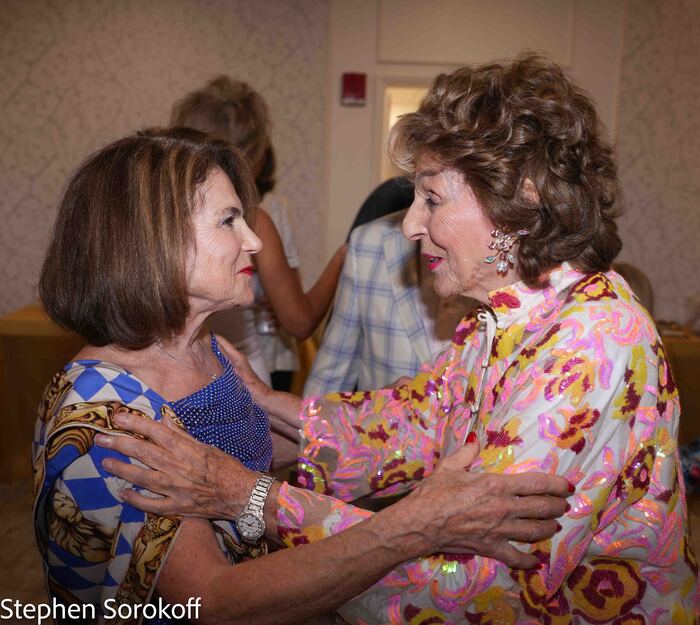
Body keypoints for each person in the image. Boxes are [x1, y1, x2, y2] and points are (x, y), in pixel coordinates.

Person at [100, 55, 699, 623]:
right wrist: (270, 407)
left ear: (521, 201)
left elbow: (471, 581)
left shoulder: (591, 341)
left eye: (432, 199)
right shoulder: (504, 317)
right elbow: (417, 420)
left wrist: (245, 495)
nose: (411, 224)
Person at [33, 127, 572, 625]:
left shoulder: (207, 349)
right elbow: (213, 602)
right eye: (228, 221)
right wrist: (411, 524)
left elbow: (237, 451)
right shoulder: (107, 413)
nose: (255, 242)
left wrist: (262, 437)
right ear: (151, 241)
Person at [171, 76, 346, 387]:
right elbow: (299, 321)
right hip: (240, 370)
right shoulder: (255, 219)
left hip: (175, 370)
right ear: (249, 155)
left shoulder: (160, 216)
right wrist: (344, 256)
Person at [304, 208, 474, 394]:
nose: (409, 224)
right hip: (379, 421)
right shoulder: (369, 242)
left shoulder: (500, 254)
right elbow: (331, 373)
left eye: (432, 198)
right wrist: (306, 418)